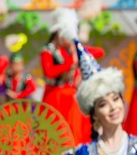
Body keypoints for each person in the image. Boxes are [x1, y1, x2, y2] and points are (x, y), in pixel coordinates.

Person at [41, 9, 105, 145]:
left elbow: (100, 52)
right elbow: (49, 72)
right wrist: (71, 61)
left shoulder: (70, 49)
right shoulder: (48, 50)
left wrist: (78, 48)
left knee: (75, 132)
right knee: (54, 133)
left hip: (71, 98)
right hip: (54, 97)